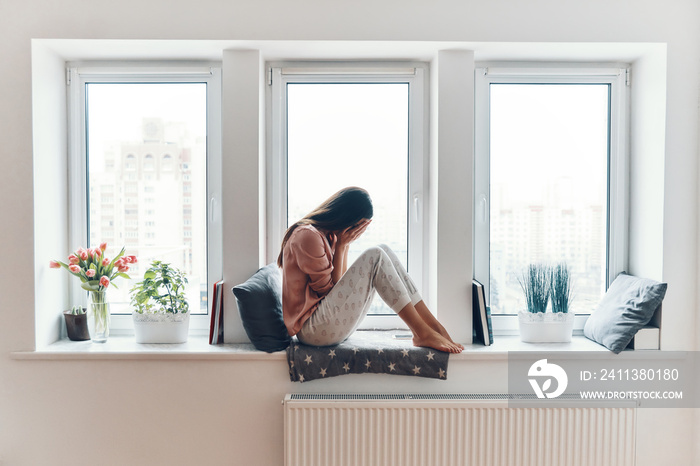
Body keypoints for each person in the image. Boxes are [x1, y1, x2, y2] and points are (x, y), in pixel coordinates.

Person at [278, 187, 464, 353]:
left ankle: (433, 327)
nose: (359, 232)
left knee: (384, 250)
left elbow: (339, 289)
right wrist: (342, 247)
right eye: (358, 226)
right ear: (346, 218)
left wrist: (343, 245)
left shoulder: (328, 237)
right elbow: (328, 292)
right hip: (313, 330)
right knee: (375, 255)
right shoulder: (308, 236)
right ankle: (421, 332)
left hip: (327, 326)